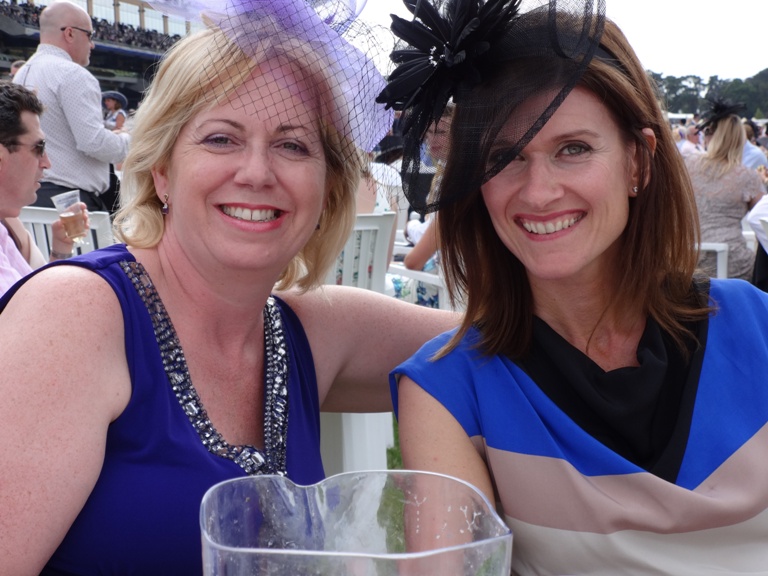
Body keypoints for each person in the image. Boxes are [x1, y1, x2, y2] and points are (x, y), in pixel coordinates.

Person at [0, 0, 457, 573]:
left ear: (329, 190)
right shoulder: (74, 314)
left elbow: (512, 338)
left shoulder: (313, 331)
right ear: (162, 169)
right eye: (220, 139)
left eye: (293, 145)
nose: (256, 173)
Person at [378, 0, 768, 573]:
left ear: (638, 162)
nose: (538, 193)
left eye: (573, 149)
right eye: (505, 157)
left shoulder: (758, 328)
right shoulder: (449, 390)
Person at [13, 0, 130, 213]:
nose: (92, 44)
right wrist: (129, 140)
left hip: (30, 198)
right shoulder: (73, 74)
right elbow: (94, 143)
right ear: (69, 33)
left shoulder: (21, 73)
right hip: (73, 202)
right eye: (89, 35)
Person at [0, 81, 84, 297]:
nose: (47, 163)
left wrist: (61, 249)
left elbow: (41, 299)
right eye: (39, 148)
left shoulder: (8, 226)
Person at [685, 99, 764, 280]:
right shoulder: (747, 177)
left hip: (685, 259)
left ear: (709, 135)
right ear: (739, 140)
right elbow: (763, 217)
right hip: (732, 266)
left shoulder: (686, 165)